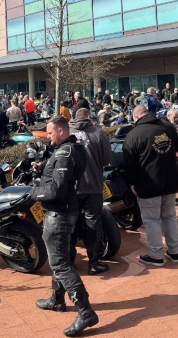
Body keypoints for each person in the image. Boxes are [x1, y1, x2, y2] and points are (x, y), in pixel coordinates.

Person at [30, 116, 99, 336]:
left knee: (60, 263)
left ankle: (85, 311)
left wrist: (30, 193)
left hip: (58, 213)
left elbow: (55, 191)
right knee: (61, 257)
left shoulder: (65, 153)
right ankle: (57, 299)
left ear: (61, 131)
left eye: (50, 133)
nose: (48, 137)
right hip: (66, 210)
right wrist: (43, 168)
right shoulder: (73, 149)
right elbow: (63, 179)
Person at [123, 105, 178, 267]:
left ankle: (156, 255)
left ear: (136, 117)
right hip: (170, 181)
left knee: (151, 220)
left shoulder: (134, 135)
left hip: (149, 184)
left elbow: (129, 164)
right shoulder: (168, 128)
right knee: (169, 217)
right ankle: (174, 251)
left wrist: (131, 183)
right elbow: (175, 149)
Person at [69, 108, 112, 275]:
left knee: (70, 224)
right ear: (88, 117)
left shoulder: (67, 131)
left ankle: (70, 262)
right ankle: (94, 263)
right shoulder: (98, 133)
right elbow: (107, 159)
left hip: (72, 188)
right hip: (93, 186)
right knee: (93, 223)